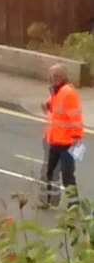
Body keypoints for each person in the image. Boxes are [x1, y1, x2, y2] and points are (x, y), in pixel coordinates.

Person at [42, 63, 83, 207]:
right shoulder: (56, 91)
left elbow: (76, 118)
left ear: (62, 77)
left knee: (67, 177)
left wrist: (76, 138)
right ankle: (49, 200)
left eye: (55, 76)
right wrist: (47, 104)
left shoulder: (68, 93)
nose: (52, 79)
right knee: (51, 173)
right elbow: (55, 107)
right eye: (51, 76)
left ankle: (74, 206)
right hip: (55, 141)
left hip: (67, 144)